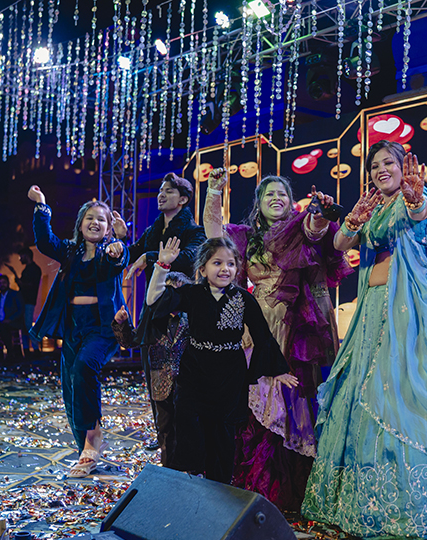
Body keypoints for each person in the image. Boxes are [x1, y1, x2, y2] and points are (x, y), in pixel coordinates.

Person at [301, 140, 427, 540]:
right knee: (360, 390)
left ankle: (410, 505)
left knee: (396, 394)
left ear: (403, 167)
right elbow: (339, 245)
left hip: (404, 314)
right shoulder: (374, 207)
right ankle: (355, 500)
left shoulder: (417, 198)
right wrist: (353, 221)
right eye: (375, 165)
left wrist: (414, 198)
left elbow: (420, 214)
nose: (381, 170)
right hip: (371, 310)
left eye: (388, 163)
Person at [204, 171, 352, 510]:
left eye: (281, 194)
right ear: (258, 203)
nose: (275, 198)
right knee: (255, 400)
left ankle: (287, 486)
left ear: (291, 201)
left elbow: (316, 229)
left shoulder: (300, 228)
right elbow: (214, 235)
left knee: (294, 399)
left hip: (297, 328)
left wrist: (318, 213)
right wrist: (213, 191)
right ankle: (254, 480)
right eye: (268, 194)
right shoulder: (246, 238)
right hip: (257, 325)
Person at [147, 236, 295, 483]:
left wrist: (278, 369)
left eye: (231, 264)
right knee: (189, 425)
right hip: (194, 372)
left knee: (222, 436)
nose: (225, 269)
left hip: (229, 376)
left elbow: (262, 335)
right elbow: (154, 300)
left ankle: (219, 486)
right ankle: (192, 480)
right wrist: (162, 267)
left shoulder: (244, 299)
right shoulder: (192, 293)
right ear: (203, 269)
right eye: (217, 263)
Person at [27, 185, 128, 478]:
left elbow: (119, 258)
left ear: (108, 228)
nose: (95, 222)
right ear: (81, 224)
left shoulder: (110, 251)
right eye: (89, 218)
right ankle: (83, 444)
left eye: (101, 219)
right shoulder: (70, 251)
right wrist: (41, 205)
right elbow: (45, 241)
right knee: (70, 386)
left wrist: (120, 243)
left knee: (84, 367)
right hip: (73, 327)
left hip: (103, 328)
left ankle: (93, 440)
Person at [118, 172, 205, 461]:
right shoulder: (154, 230)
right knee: (156, 388)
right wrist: (119, 240)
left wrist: (152, 257)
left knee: (179, 391)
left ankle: (181, 453)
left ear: (183, 199)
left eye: (168, 191)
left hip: (178, 318)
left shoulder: (193, 231)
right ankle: (166, 444)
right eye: (160, 190)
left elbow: (189, 259)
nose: (161, 195)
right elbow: (133, 253)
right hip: (152, 314)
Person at [111, 271, 191, 467]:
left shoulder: (191, 319)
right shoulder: (153, 321)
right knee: (165, 429)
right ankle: (168, 469)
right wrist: (121, 323)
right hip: (160, 383)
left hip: (187, 384)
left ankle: (188, 468)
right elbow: (131, 341)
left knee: (187, 426)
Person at [8, 248, 42, 353]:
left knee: (27, 325)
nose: (20, 259)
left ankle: (35, 349)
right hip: (24, 301)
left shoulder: (34, 269)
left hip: (29, 301)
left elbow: (30, 285)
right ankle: (26, 349)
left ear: (26, 256)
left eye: (21, 257)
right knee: (24, 325)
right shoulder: (28, 269)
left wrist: (16, 277)